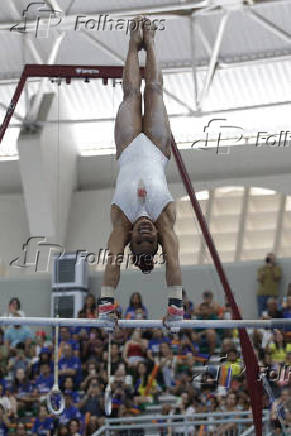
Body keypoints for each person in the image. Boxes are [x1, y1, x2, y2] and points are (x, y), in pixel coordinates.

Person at [98, 17, 183, 322]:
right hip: (158, 149)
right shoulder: (165, 219)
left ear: (129, 239)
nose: (146, 234)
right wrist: (175, 308)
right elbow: (173, 260)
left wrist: (106, 307)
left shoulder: (121, 221)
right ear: (158, 239)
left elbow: (112, 262)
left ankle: (134, 43)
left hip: (129, 147)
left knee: (131, 94)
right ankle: (152, 41)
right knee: (156, 89)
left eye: (139, 240)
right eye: (151, 240)